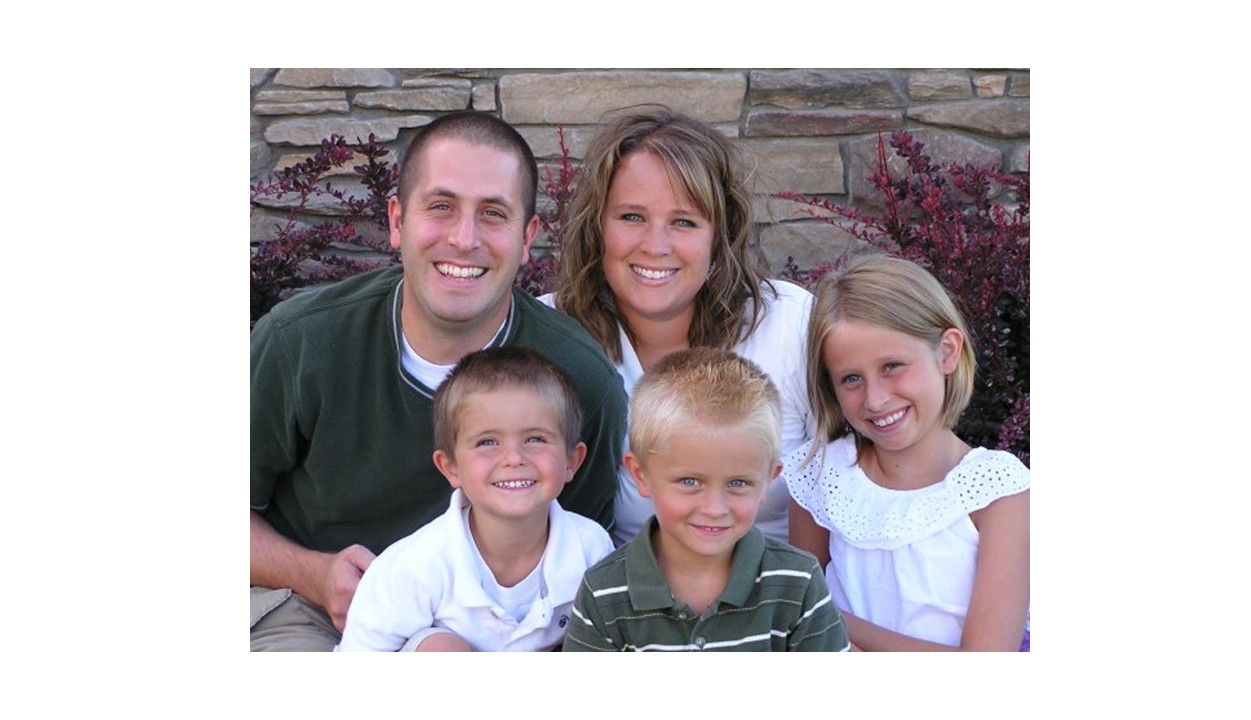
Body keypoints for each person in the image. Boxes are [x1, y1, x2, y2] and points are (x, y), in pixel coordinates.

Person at [250, 111, 628, 652]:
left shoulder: (581, 381)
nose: (464, 238)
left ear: (528, 237)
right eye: (441, 207)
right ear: (398, 219)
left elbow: (583, 567)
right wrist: (313, 572)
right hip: (315, 609)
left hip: (510, 635)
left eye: (493, 214)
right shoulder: (299, 343)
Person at [542, 107, 814, 547]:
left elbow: (865, 477)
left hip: (782, 598)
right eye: (632, 217)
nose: (655, 245)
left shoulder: (788, 324)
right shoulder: (550, 335)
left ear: (718, 236)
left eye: (684, 222)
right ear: (597, 227)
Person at [785, 253, 1030, 651]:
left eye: (893, 366)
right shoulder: (820, 476)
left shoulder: (996, 491)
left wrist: (833, 621)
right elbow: (797, 632)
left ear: (947, 352)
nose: (876, 399)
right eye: (851, 379)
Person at [563, 347, 849, 652]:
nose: (714, 508)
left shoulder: (798, 583)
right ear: (640, 475)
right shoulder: (603, 592)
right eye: (690, 482)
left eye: (738, 483)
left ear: (768, 479)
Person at [335, 347, 614, 652]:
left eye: (535, 438)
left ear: (572, 460)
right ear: (451, 467)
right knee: (440, 649)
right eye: (487, 442)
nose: (513, 458)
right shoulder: (414, 566)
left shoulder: (590, 548)